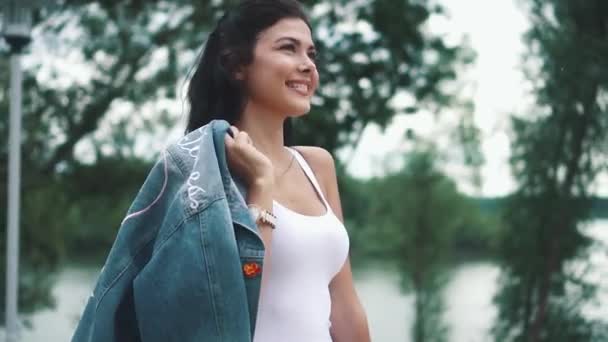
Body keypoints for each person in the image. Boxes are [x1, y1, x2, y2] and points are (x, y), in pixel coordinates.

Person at [187, 0, 370, 341]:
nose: (307, 66)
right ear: (236, 65)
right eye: (289, 49)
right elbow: (235, 295)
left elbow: (343, 303)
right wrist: (261, 184)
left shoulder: (317, 166)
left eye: (311, 54)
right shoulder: (204, 172)